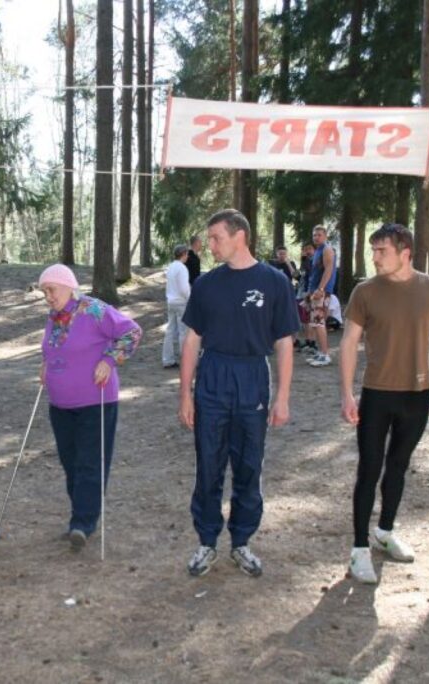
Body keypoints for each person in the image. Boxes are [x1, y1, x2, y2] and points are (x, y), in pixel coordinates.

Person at [178, 209, 297, 578]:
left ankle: (242, 541)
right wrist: (185, 393)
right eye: (209, 239)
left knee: (249, 464)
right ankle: (207, 541)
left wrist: (282, 396)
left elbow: (284, 343)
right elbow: (192, 339)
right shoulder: (206, 285)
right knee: (209, 463)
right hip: (213, 376)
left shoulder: (274, 282)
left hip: (251, 377)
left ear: (239, 236)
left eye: (216, 238)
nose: (210, 245)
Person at [339, 223, 429, 585]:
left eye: (381, 251)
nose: (374, 258)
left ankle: (384, 532)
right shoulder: (365, 292)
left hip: (417, 395)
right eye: (372, 250)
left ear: (405, 252)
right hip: (376, 394)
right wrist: (346, 392)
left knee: (398, 467)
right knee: (369, 470)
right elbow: (348, 343)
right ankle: (359, 549)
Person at [38, 264, 142, 551]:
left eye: (51, 289)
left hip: (95, 400)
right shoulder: (54, 316)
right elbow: (54, 348)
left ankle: (82, 523)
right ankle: (81, 516)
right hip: (60, 404)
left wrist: (109, 360)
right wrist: (45, 365)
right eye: (44, 291)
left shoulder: (94, 309)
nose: (47, 296)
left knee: (89, 462)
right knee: (70, 463)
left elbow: (131, 333)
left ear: (68, 285)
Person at [305, 226, 337, 367]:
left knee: (319, 322)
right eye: (314, 235)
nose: (316, 237)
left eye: (319, 235)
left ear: (325, 236)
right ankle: (321, 352)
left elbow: (329, 269)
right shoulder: (317, 251)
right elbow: (315, 273)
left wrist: (321, 289)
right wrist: (310, 291)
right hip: (314, 291)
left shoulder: (327, 249)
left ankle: (325, 355)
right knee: (315, 323)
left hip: (321, 292)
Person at [163, 245, 191, 368]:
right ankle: (185, 359)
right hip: (181, 302)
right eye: (187, 254)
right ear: (183, 254)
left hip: (171, 301)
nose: (187, 256)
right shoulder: (182, 268)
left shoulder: (171, 267)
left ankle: (167, 359)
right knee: (183, 332)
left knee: (169, 331)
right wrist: (190, 299)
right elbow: (184, 288)